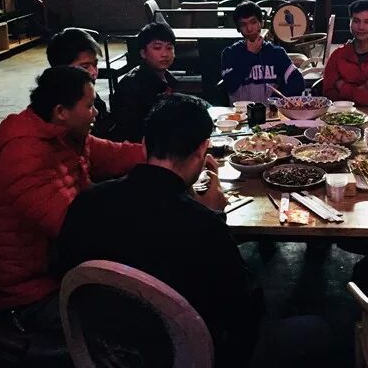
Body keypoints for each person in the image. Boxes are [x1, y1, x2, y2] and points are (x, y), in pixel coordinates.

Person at [57, 94, 262, 366]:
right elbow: (243, 311)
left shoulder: (86, 203)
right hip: (187, 358)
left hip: (105, 353)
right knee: (305, 329)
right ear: (202, 150)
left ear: (144, 145)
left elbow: (64, 272)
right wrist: (214, 215)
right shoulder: (204, 226)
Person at [0, 66, 145, 333]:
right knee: (144, 315)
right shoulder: (24, 156)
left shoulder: (64, 135)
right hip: (33, 297)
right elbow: (75, 230)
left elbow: (114, 154)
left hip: (65, 271)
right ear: (61, 111)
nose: (96, 112)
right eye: (89, 106)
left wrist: (166, 156)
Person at [221, 1, 305, 103]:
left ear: (261, 23)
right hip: (240, 112)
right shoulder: (230, 53)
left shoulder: (276, 53)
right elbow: (229, 86)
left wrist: (276, 100)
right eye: (243, 24)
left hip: (271, 111)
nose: (249, 28)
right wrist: (250, 55)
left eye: (253, 22)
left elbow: (298, 83)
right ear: (238, 28)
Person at [111, 21, 177, 142]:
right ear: (143, 53)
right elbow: (130, 130)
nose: (165, 54)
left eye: (169, 48)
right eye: (157, 48)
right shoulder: (131, 85)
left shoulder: (168, 78)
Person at [46, 27, 115, 139]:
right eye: (85, 67)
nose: (94, 72)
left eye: (95, 65)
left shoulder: (88, 94)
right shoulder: (54, 114)